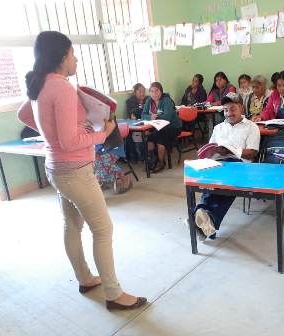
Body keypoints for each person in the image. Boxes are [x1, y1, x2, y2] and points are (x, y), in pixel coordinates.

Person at [17, 31, 146, 310]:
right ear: (62, 56)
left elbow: (24, 116)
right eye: (73, 53)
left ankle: (85, 278)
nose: (76, 58)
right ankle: (114, 294)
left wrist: (55, 132)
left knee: (72, 225)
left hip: (56, 167)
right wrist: (105, 133)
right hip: (75, 170)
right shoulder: (61, 87)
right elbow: (70, 141)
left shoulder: (40, 84)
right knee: (103, 229)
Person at [194, 92, 260, 240]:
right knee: (210, 183)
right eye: (225, 110)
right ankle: (206, 221)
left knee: (226, 185)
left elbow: (252, 153)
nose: (229, 113)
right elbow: (211, 146)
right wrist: (211, 151)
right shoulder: (218, 128)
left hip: (241, 164)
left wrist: (231, 150)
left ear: (241, 108)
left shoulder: (251, 127)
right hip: (219, 162)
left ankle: (201, 217)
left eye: (232, 109)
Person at [141, 82, 182, 173]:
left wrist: (155, 117)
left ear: (161, 91)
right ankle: (153, 161)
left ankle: (161, 162)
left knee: (160, 138)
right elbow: (143, 115)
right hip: (158, 127)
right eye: (151, 91)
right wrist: (150, 117)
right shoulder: (149, 100)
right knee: (150, 139)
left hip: (173, 127)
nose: (154, 93)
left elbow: (168, 117)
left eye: (157, 91)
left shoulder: (166, 100)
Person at [125, 84, 148, 162]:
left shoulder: (148, 99)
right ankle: (137, 156)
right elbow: (131, 115)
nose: (142, 93)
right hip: (135, 125)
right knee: (135, 135)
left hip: (148, 123)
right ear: (135, 92)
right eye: (140, 91)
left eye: (144, 91)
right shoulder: (130, 101)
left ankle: (146, 155)